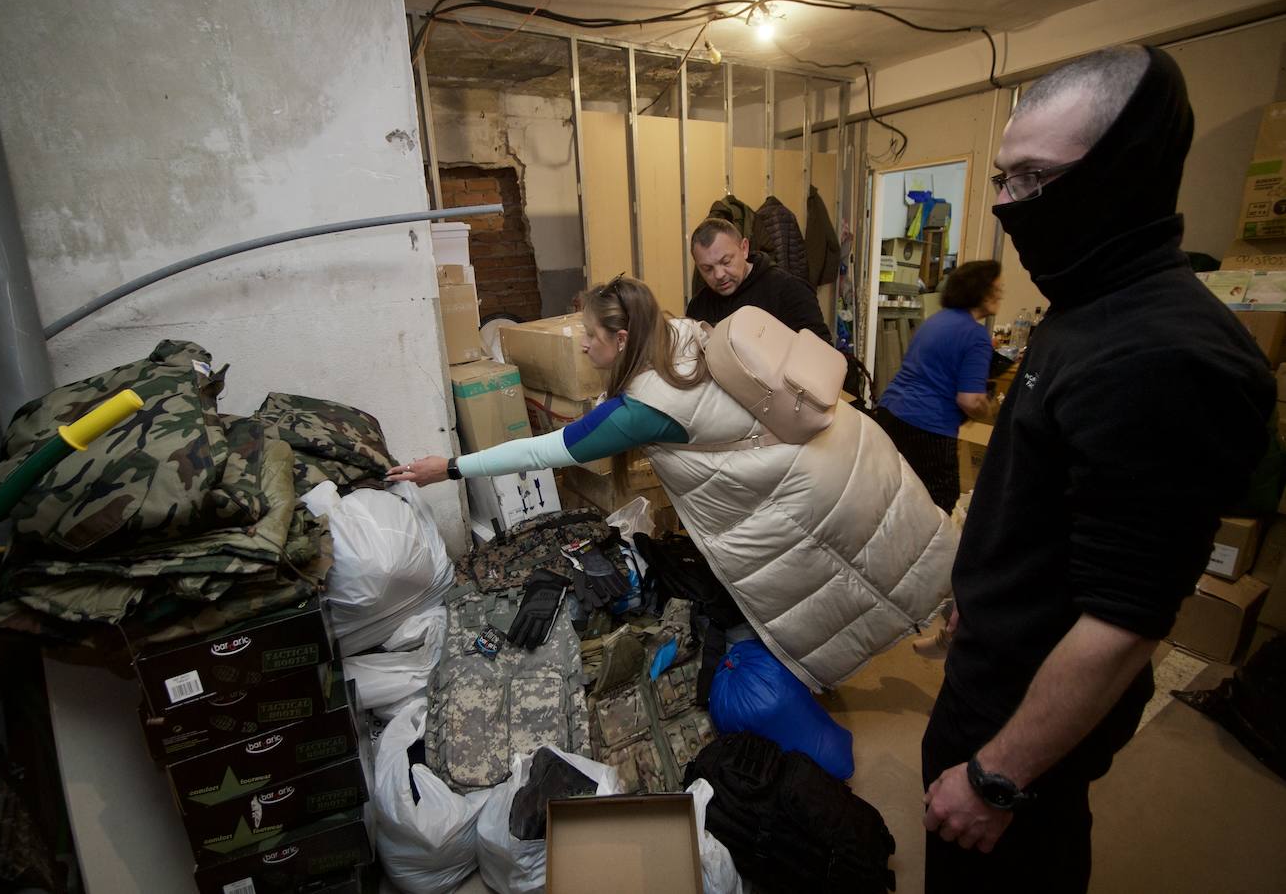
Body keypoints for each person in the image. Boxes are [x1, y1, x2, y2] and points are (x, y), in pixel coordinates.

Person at [919, 45, 1274, 894]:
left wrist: (997, 778)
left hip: (1021, 728)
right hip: (994, 673)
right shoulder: (1084, 302)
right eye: (1005, 177)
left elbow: (1124, 621)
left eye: (1033, 179)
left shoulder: (1164, 352)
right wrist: (983, 597)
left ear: (1127, 169)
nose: (1007, 207)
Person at [390, 275, 957, 692]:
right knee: (906, 551)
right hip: (842, 444)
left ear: (622, 335)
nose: (583, 344)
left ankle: (963, 637)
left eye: (590, 335)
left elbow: (546, 450)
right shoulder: (682, 335)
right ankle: (956, 618)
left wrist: (454, 466)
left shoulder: (644, 406)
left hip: (810, 487)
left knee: (871, 574)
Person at [877, 260, 1002, 514]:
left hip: (890, 412)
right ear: (979, 290)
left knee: (894, 494)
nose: (999, 295)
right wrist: (990, 411)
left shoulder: (936, 320)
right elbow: (970, 400)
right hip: (927, 425)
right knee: (938, 503)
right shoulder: (976, 335)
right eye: (995, 289)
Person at [686, 218, 833, 343]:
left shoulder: (788, 290)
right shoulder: (698, 306)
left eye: (726, 262)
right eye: (707, 269)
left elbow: (821, 357)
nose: (719, 274)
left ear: (744, 248)